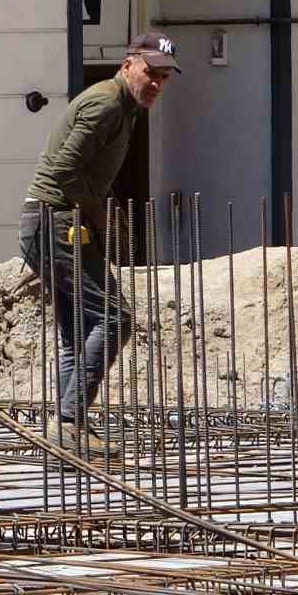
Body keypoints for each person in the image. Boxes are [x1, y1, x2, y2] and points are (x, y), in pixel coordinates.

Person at [18, 32, 178, 457]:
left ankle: (70, 429)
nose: (157, 84)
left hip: (58, 220)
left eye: (164, 77)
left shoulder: (124, 108)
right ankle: (68, 422)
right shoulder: (107, 102)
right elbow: (65, 168)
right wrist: (101, 214)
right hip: (56, 221)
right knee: (114, 318)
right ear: (129, 65)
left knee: (79, 330)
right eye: (151, 73)